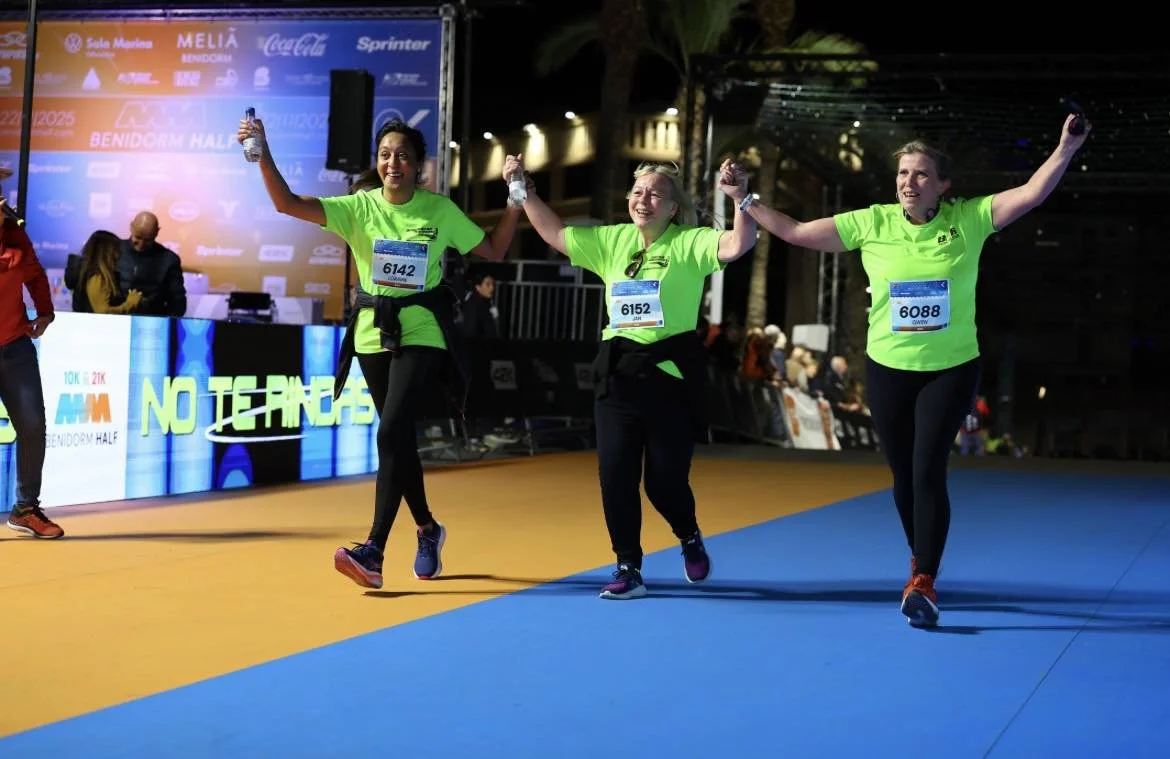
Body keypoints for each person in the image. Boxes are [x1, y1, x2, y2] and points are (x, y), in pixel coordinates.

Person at [741, 114, 1091, 627]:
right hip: (887, 369)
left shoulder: (969, 219)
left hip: (950, 369)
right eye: (903, 173)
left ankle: (924, 578)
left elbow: (1032, 194)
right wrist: (744, 200)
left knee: (927, 469)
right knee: (902, 478)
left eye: (921, 173)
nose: (909, 182)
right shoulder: (872, 223)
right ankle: (920, 556)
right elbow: (795, 231)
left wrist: (1066, 147)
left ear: (942, 185)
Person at [237, 116, 522, 589]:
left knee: (390, 430)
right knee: (398, 439)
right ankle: (427, 528)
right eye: (386, 154)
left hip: (424, 328)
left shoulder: (438, 210)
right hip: (372, 331)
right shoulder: (359, 208)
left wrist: (515, 197)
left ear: (418, 166)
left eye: (403, 155)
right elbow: (286, 203)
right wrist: (262, 152)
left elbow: (493, 249)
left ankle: (373, 550)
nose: (393, 162)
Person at [516, 157, 758, 599]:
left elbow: (737, 244)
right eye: (638, 192)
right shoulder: (612, 240)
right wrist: (524, 191)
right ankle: (628, 565)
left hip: (670, 378)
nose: (643, 200)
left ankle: (688, 534)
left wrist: (740, 197)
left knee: (663, 483)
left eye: (655, 194)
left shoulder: (689, 243)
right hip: (618, 377)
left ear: (673, 208)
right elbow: (554, 233)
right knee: (615, 476)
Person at [0, 170, 63, 540]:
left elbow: (34, 274)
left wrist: (45, 311)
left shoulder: (14, 232)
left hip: (15, 346)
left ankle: (25, 508)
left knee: (33, 426)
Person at [118, 212, 187, 317]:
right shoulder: (113, 251)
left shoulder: (169, 260)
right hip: (114, 319)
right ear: (131, 227)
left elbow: (178, 302)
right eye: (138, 237)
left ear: (157, 233)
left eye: (148, 240)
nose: (141, 244)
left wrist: (162, 322)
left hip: (152, 320)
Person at [75, 230, 144, 314]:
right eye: (116, 249)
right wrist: (130, 304)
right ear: (106, 252)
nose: (119, 254)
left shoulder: (103, 275)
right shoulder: (97, 276)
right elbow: (103, 312)